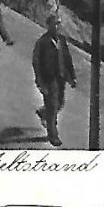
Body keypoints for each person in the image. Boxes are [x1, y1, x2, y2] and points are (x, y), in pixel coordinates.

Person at [33, 13, 77, 147]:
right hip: (49, 79)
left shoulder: (62, 41)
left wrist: (72, 77)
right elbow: (36, 63)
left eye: (58, 24)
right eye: (54, 24)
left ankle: (43, 112)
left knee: (60, 103)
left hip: (61, 77)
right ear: (48, 26)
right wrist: (40, 82)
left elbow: (67, 59)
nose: (57, 27)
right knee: (52, 107)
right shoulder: (42, 42)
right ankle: (53, 135)